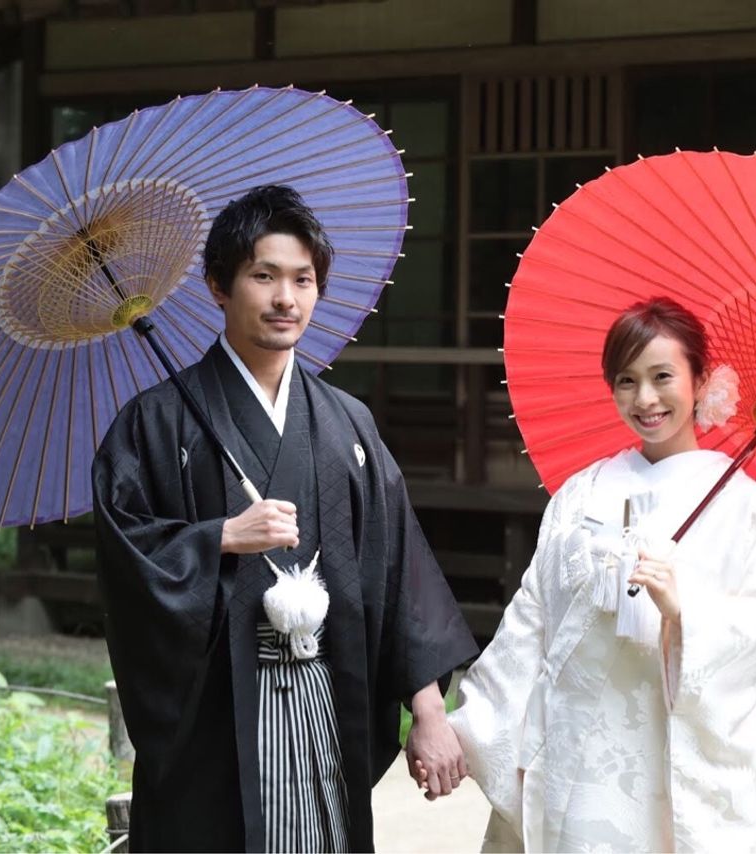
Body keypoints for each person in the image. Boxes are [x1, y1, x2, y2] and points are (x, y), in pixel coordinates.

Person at [93, 185, 478, 853]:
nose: (285, 299)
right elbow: (125, 557)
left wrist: (429, 711)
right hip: (212, 722)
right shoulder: (156, 422)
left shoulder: (347, 425)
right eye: (263, 276)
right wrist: (219, 537)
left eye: (303, 280)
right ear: (219, 287)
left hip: (328, 702)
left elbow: (399, 572)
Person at [445, 296, 756, 852]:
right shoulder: (583, 493)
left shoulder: (740, 504)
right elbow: (531, 617)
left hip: (673, 762)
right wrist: (468, 727)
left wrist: (685, 611)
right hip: (577, 754)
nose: (646, 399)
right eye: (627, 381)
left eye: (663, 377)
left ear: (700, 379)